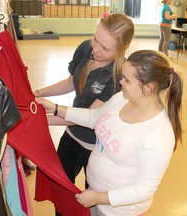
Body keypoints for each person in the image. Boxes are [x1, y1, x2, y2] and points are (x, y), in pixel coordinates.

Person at [36, 49, 183, 216]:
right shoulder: (122, 98)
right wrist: (56, 109)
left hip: (118, 211)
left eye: (127, 80)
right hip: (96, 198)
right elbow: (94, 117)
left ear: (148, 88)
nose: (121, 82)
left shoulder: (159, 134)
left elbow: (143, 190)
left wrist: (98, 197)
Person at [33, 13, 134, 193]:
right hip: (72, 134)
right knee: (60, 189)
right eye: (96, 39)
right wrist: (37, 93)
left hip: (97, 146)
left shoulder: (118, 76)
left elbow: (88, 117)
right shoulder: (86, 48)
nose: (95, 49)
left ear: (123, 48)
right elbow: (71, 82)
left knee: (92, 194)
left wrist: (40, 118)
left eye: (105, 48)